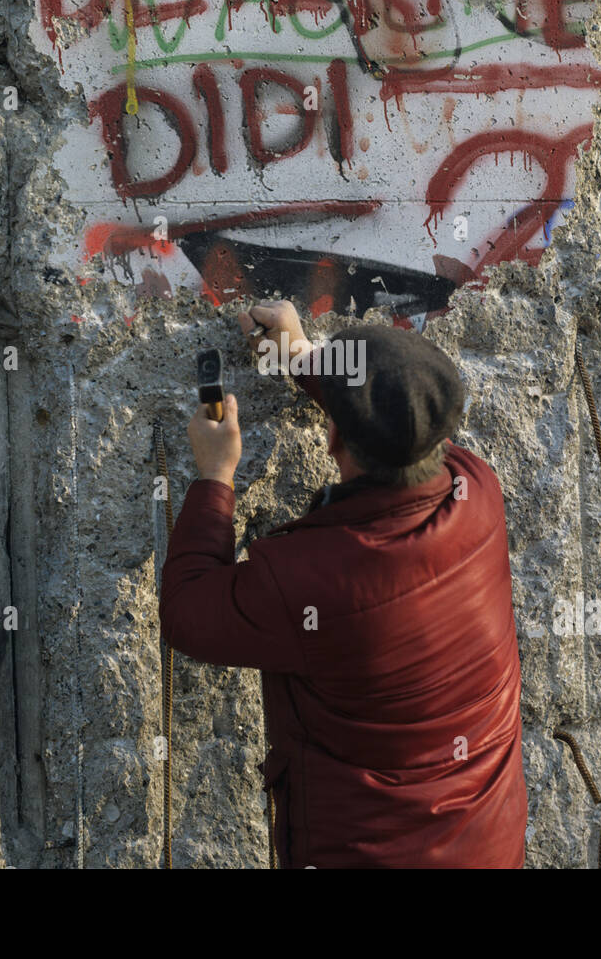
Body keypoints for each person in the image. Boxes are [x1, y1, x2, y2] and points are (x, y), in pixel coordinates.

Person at [160, 300, 527, 868]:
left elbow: (187, 612)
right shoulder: (477, 491)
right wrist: (303, 356)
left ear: (332, 443)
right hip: (488, 844)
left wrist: (214, 477)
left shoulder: (310, 580)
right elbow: (402, 420)